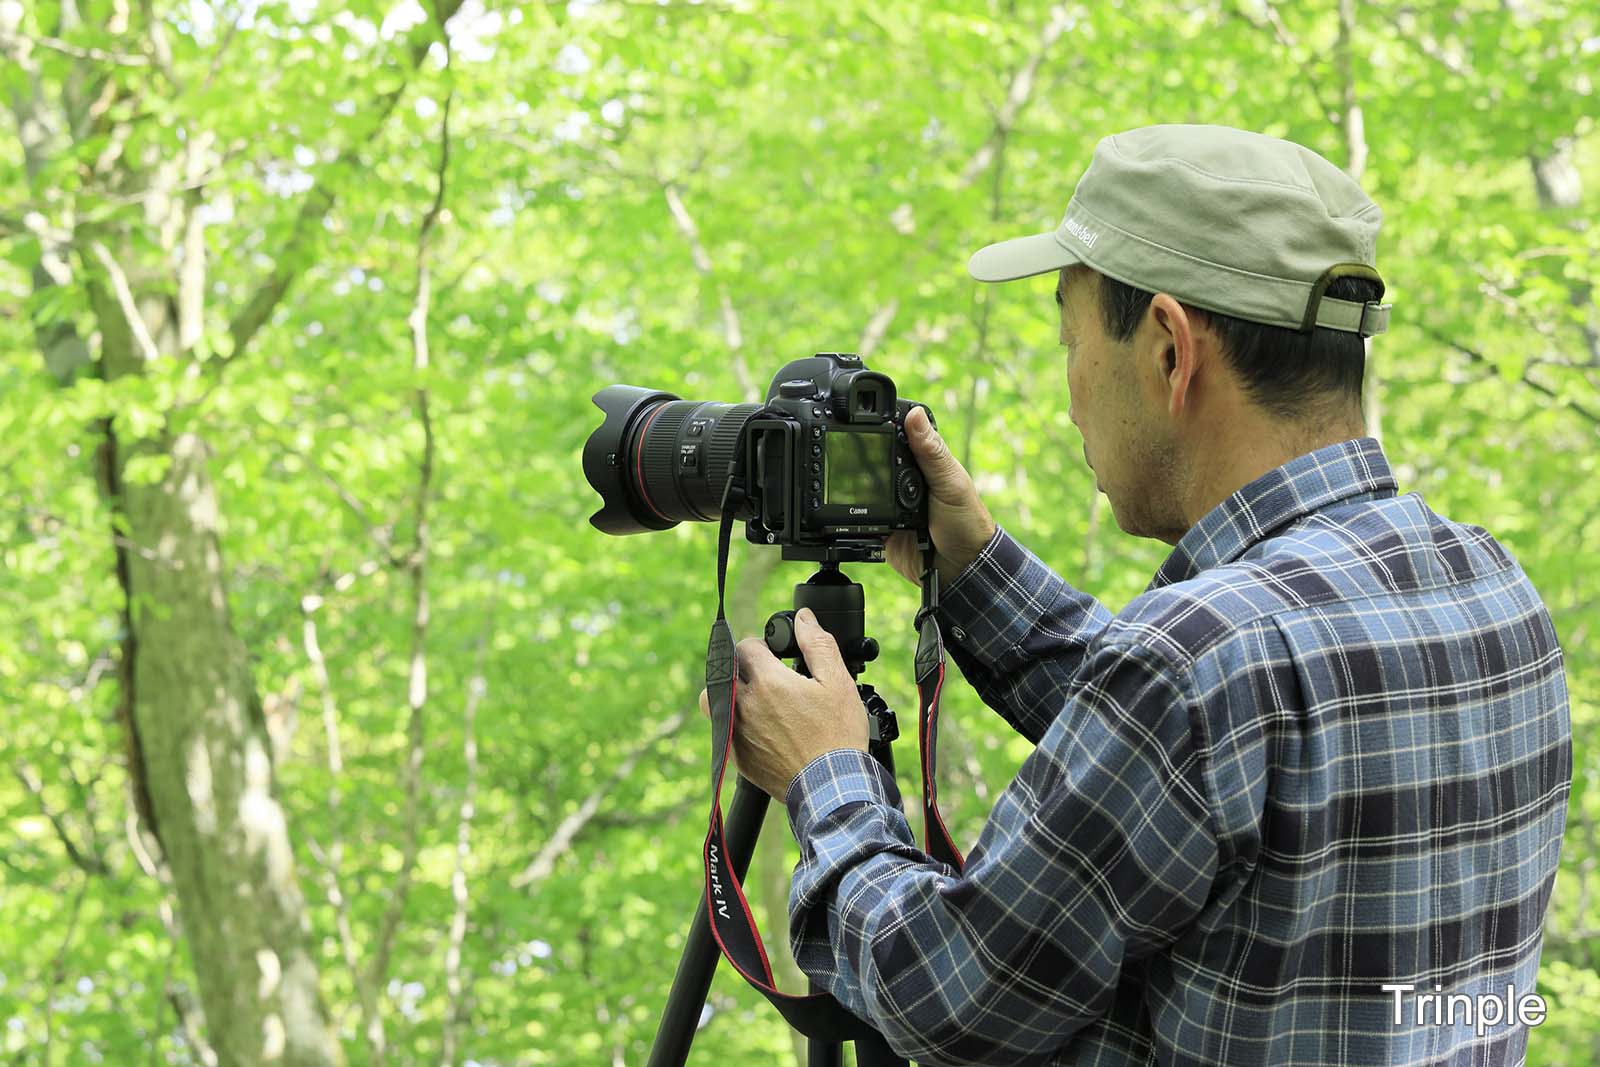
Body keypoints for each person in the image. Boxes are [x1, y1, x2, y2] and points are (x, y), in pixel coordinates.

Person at [699, 124, 1571, 1066]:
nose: (1071, 391)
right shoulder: (1492, 586)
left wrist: (825, 773)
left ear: (1168, 349)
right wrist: (973, 565)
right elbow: (1209, 759)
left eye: (1071, 340)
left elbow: (940, 993)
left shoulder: (1196, 663)